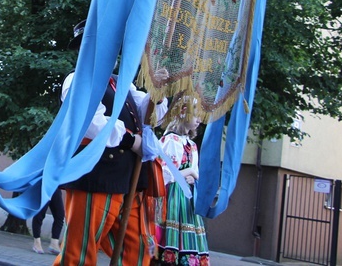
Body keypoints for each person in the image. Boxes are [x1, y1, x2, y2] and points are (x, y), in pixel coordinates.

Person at [53, 20, 168, 266]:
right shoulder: (76, 80)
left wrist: (157, 95)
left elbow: (149, 116)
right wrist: (130, 140)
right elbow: (92, 123)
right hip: (96, 178)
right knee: (79, 254)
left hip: (130, 182)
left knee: (138, 253)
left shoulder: (122, 83)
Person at [153, 93, 210, 266]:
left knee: (189, 240)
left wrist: (193, 175)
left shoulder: (191, 144)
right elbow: (164, 173)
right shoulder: (171, 140)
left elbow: (194, 172)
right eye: (196, 113)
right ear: (183, 112)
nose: (199, 119)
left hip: (187, 200)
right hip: (173, 198)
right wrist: (189, 172)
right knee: (170, 240)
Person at [31, 190, 65, 255]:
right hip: (44, 187)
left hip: (55, 187)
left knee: (60, 215)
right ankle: (37, 243)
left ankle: (54, 243)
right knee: (39, 215)